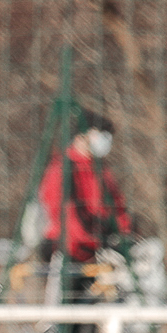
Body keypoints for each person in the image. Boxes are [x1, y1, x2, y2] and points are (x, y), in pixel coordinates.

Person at [36, 109, 132, 288]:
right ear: (81, 135)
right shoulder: (62, 168)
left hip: (98, 247)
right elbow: (61, 213)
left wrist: (123, 235)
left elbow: (117, 208)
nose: (106, 140)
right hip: (68, 248)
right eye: (100, 134)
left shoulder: (102, 170)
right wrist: (91, 242)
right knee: (69, 302)